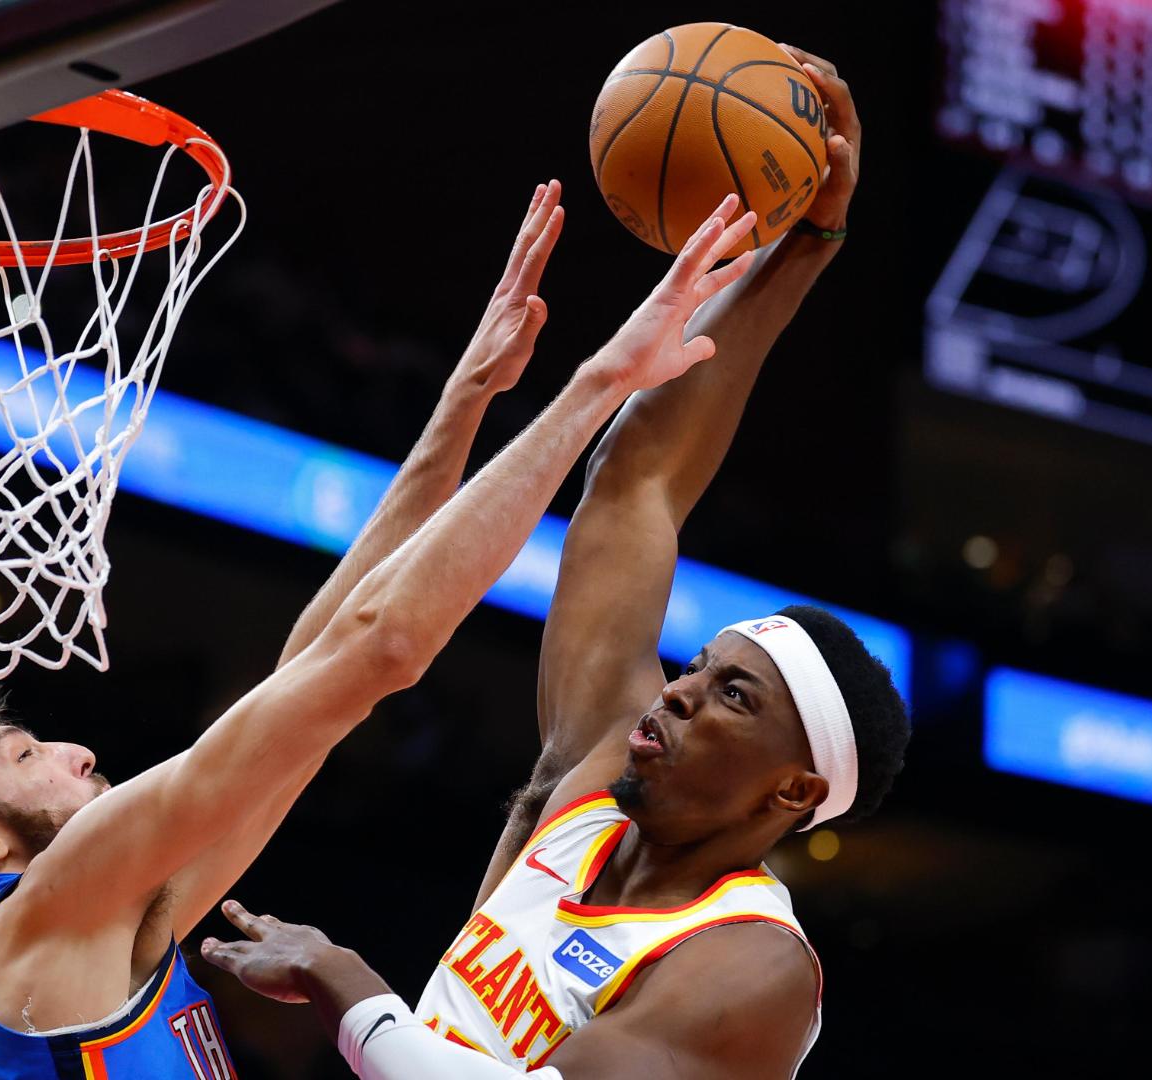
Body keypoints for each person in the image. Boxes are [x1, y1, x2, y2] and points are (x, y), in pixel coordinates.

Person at [0, 179, 763, 1078]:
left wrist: (465, 402)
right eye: (23, 756)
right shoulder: (43, 913)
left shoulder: (84, 929)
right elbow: (375, 652)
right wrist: (597, 383)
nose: (77, 749)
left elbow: (312, 673)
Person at [200, 48, 909, 1080]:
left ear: (794, 790)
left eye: (734, 698)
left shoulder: (754, 965)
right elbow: (639, 485)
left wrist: (345, 980)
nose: (678, 696)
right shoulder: (594, 783)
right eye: (700, 667)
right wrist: (801, 249)